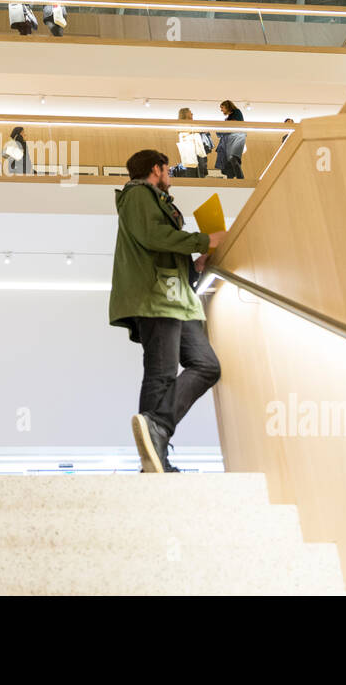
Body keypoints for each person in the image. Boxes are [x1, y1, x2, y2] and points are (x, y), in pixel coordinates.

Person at [110, 149, 226, 473]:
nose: (170, 176)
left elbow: (167, 248)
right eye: (168, 170)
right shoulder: (137, 194)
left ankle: (158, 428)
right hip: (157, 297)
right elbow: (154, 237)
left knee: (206, 366)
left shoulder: (154, 200)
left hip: (176, 299)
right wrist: (204, 240)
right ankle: (155, 458)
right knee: (161, 374)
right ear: (156, 169)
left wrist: (197, 262)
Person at [215, 100, 246, 179]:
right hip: (230, 140)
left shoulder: (237, 112)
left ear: (227, 106)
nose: (221, 110)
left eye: (222, 107)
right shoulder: (228, 117)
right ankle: (231, 179)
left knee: (233, 158)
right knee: (229, 161)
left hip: (237, 138)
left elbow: (234, 123)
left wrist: (224, 124)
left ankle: (240, 178)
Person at [174, 108, 210, 177]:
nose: (192, 114)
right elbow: (184, 135)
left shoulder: (193, 125)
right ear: (186, 114)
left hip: (197, 152)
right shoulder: (182, 126)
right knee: (192, 171)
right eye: (190, 112)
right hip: (190, 153)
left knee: (200, 171)